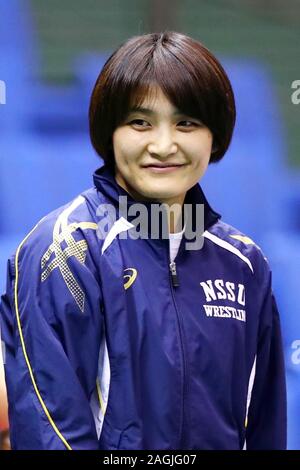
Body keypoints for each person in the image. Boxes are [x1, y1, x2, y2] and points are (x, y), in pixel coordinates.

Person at [0, 31, 286, 450]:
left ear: (215, 135)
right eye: (140, 122)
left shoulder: (244, 265)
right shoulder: (65, 250)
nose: (164, 145)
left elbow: (266, 425)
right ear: (109, 132)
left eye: (186, 122)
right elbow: (50, 431)